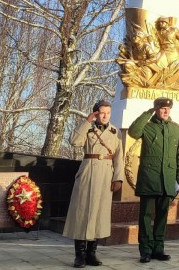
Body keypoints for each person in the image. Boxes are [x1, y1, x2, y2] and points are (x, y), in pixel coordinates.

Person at [63, 100, 123, 268]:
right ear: (96, 113)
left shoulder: (115, 132)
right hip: (88, 172)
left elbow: (119, 157)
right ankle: (79, 255)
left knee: (99, 214)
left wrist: (118, 178)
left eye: (108, 113)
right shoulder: (88, 128)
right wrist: (87, 121)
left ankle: (91, 254)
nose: (105, 116)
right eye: (102, 112)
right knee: (82, 213)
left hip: (105, 175)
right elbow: (74, 141)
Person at [128, 97, 179, 263]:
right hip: (149, 178)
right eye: (161, 108)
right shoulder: (147, 126)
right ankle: (145, 250)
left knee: (162, 216)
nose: (165, 111)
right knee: (146, 216)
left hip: (168, 180)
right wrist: (148, 113)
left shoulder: (175, 129)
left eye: (168, 108)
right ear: (156, 109)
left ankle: (158, 249)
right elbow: (133, 132)